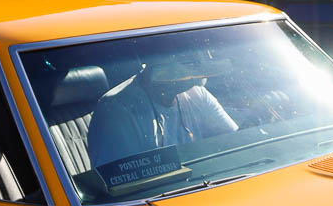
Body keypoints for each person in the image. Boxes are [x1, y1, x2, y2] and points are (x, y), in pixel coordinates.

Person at [85, 54, 238, 171]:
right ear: (161, 61)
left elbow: (234, 145)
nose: (205, 60)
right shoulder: (117, 110)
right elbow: (122, 187)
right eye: (192, 59)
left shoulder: (197, 94)